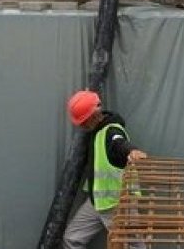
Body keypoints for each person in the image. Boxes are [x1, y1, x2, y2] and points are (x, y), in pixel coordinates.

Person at [62, 90, 147, 249]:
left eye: (83, 121)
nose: (82, 125)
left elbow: (118, 143)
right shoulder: (97, 132)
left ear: (91, 117)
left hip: (119, 203)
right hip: (98, 201)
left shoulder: (111, 130)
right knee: (72, 239)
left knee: (130, 245)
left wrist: (131, 151)